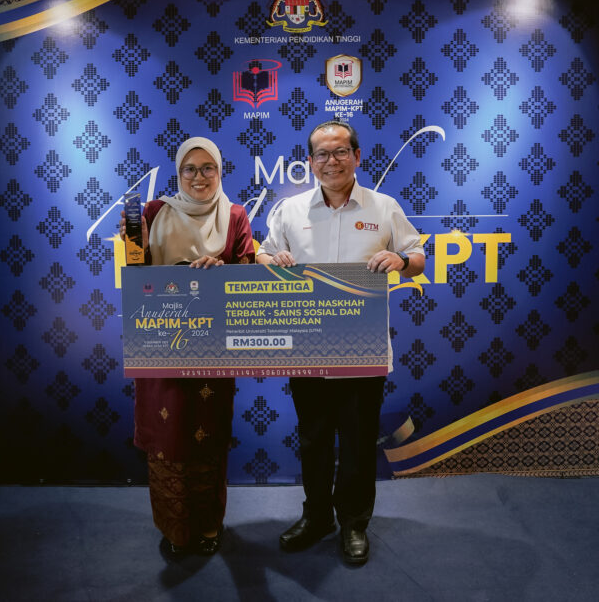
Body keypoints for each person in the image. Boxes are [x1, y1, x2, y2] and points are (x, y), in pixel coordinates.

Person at [257, 119, 425, 566]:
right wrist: (272, 258)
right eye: (321, 154)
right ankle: (316, 517)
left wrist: (400, 259)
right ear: (310, 162)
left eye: (340, 152)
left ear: (356, 156)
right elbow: (262, 252)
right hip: (307, 346)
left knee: (357, 441)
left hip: (361, 349)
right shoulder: (291, 210)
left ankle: (353, 522)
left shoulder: (384, 207)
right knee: (313, 440)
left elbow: (418, 256)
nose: (331, 161)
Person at [127, 136, 254, 559]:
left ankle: (209, 526)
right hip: (161, 345)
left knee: (207, 436)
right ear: (178, 173)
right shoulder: (153, 212)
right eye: (189, 169)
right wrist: (133, 242)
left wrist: (222, 270)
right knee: (169, 436)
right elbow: (135, 274)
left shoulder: (235, 216)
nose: (199, 177)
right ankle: (175, 531)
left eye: (208, 168)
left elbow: (248, 275)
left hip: (213, 347)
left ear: (220, 171)